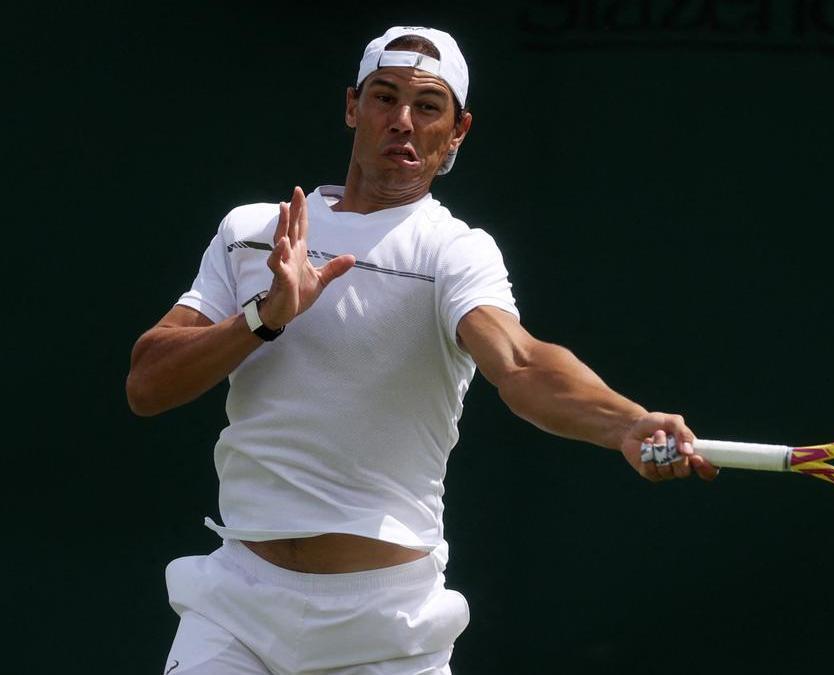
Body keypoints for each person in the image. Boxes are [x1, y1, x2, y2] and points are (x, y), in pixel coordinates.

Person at [126, 26, 717, 675]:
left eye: (428, 106)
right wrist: (264, 316)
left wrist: (627, 422)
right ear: (353, 106)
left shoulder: (453, 252)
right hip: (236, 609)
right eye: (385, 97)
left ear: (457, 129)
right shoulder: (255, 232)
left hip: (385, 631)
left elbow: (519, 363)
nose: (402, 120)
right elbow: (147, 383)